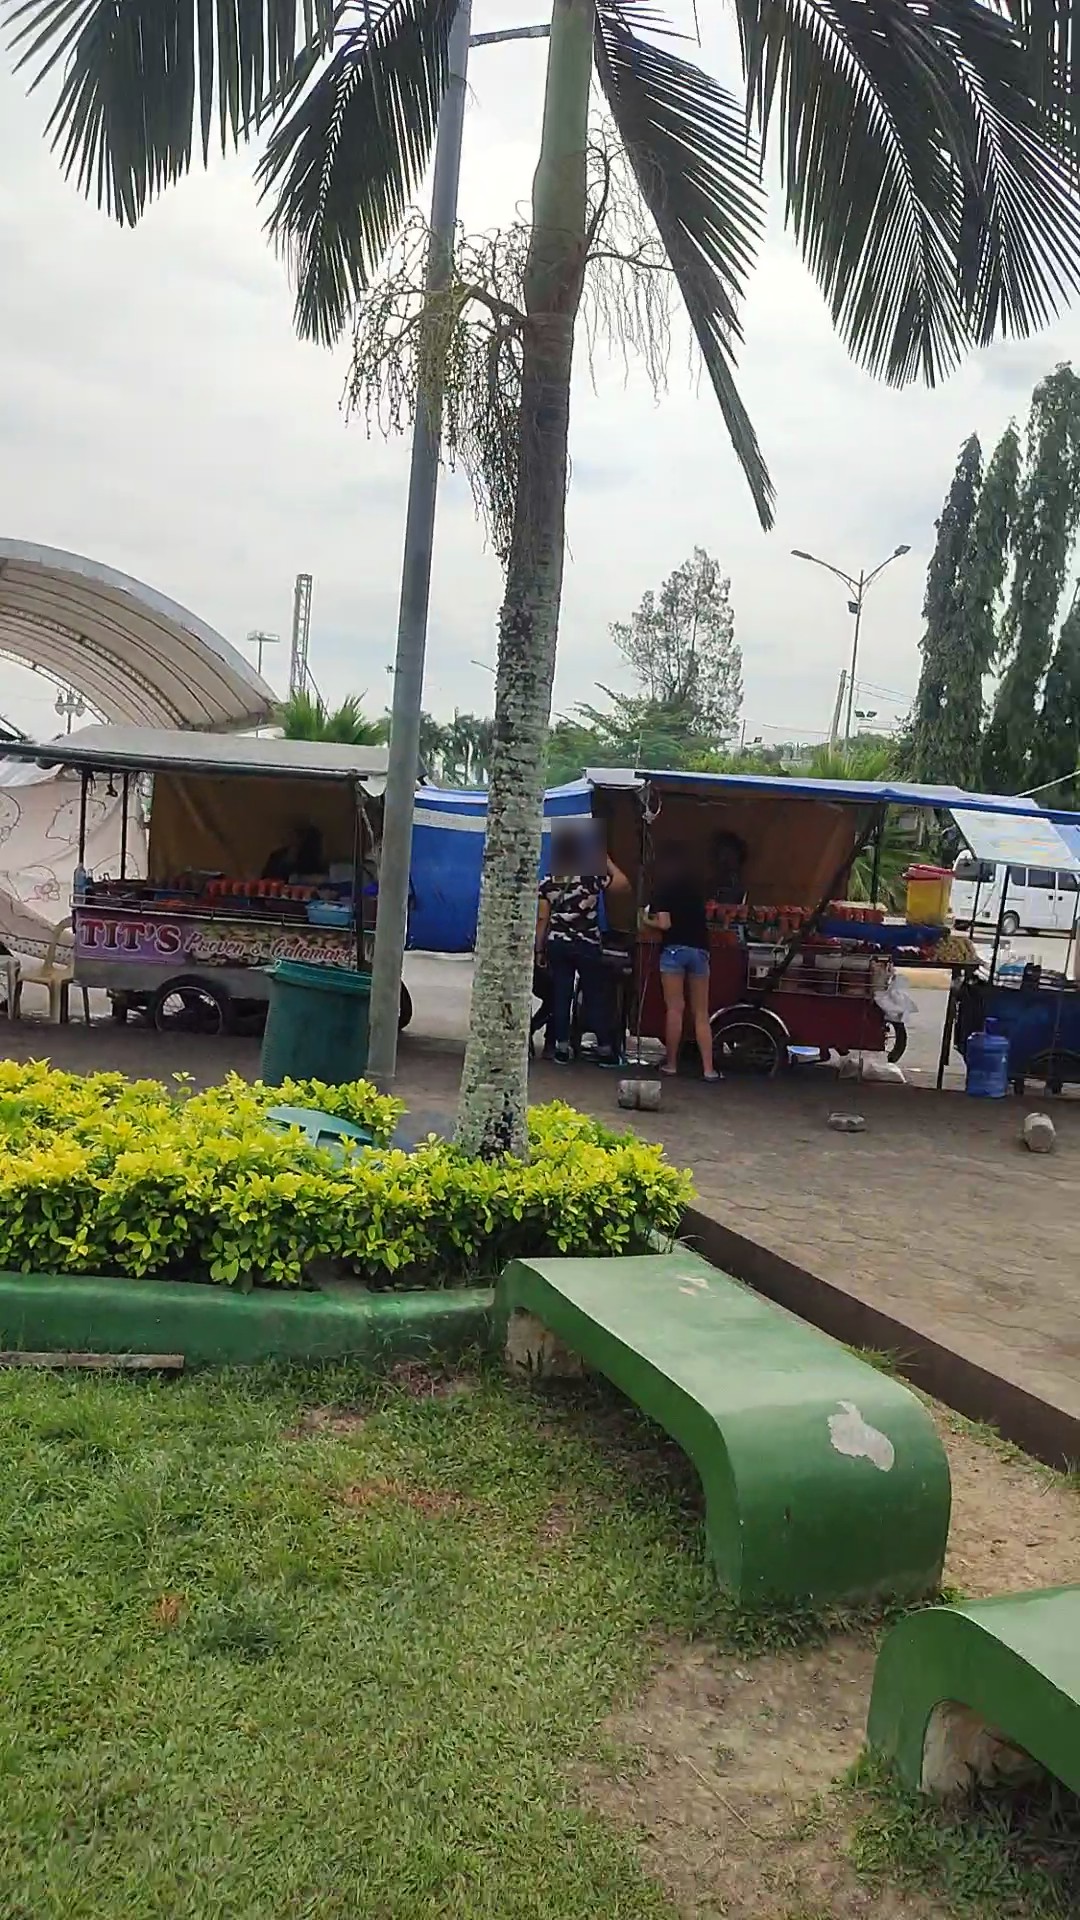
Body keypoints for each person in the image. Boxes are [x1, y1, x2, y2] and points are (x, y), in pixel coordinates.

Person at [535, 829, 627, 1065]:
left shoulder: (548, 882)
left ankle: (562, 1048)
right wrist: (606, 861)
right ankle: (605, 1050)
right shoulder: (591, 877)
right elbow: (623, 885)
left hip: (558, 944)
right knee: (594, 995)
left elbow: (542, 919)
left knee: (561, 995)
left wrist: (539, 950)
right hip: (587, 945)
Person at [647, 844, 719, 1081]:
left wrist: (646, 921)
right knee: (701, 1013)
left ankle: (671, 1064)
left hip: (674, 950)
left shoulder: (663, 890)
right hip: (699, 950)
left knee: (675, 1008)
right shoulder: (696, 889)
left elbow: (664, 924)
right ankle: (708, 1069)